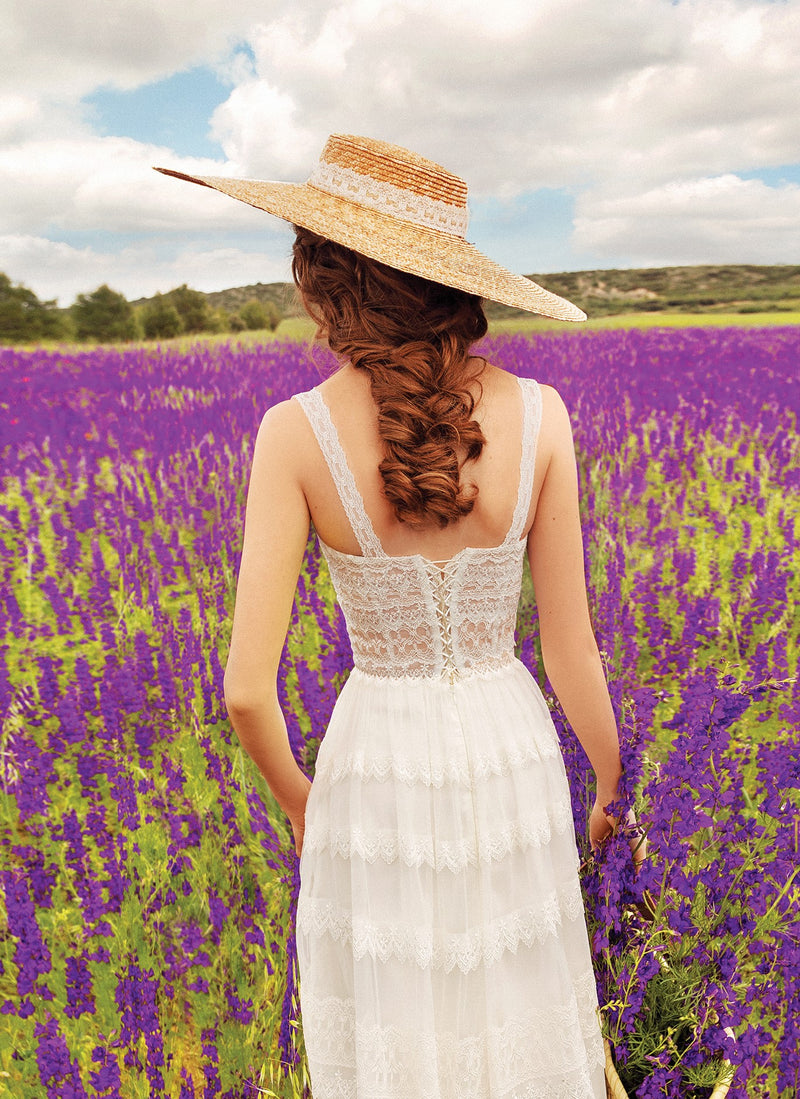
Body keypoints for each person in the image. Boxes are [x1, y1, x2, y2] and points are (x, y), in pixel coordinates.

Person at [156, 134, 644, 1099]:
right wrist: (609, 787)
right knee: (517, 1016)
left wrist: (307, 804)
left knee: (397, 1029)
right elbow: (569, 644)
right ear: (448, 284)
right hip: (511, 750)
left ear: (329, 280)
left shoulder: (292, 433)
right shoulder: (543, 416)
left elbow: (247, 691)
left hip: (374, 762)